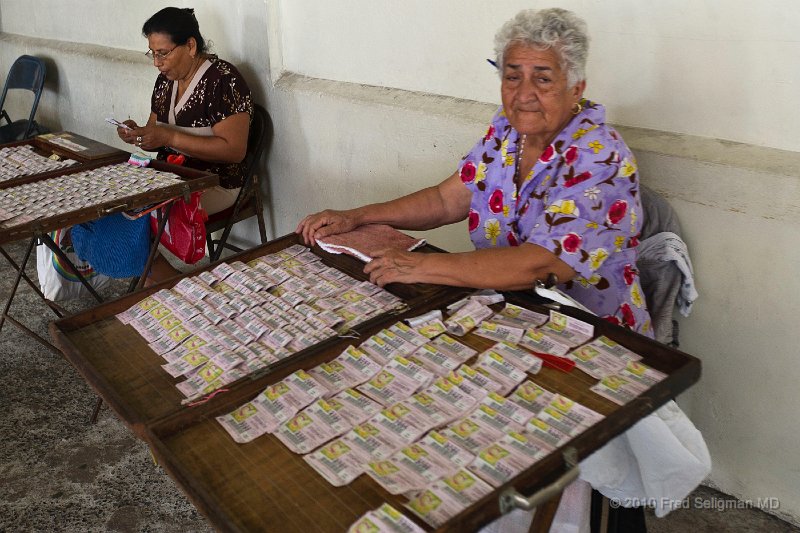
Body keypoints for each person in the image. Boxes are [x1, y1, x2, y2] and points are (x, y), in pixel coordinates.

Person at [297, 7, 651, 335]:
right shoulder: (506, 133)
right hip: (511, 313)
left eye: (543, 79)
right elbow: (445, 199)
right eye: (512, 77)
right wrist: (357, 216)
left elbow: (542, 265)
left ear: (576, 87)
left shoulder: (600, 157)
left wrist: (421, 266)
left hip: (591, 331)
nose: (524, 93)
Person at [117, 6, 253, 281]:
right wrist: (139, 135)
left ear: (190, 46)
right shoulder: (165, 82)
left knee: (143, 217)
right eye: (152, 53)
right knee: (116, 204)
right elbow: (156, 136)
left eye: (163, 53)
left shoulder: (223, 80)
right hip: (173, 176)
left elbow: (234, 151)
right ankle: (162, 278)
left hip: (217, 182)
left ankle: (168, 284)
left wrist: (169, 137)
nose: (157, 62)